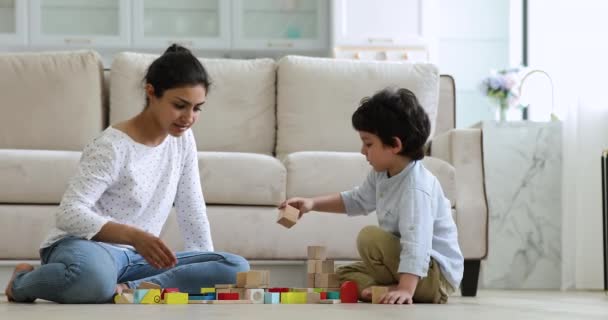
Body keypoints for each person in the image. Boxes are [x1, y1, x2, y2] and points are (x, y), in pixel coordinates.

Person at [5, 44, 249, 303]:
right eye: (180, 105)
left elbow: (192, 206)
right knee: (93, 279)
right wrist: (133, 236)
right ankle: (22, 282)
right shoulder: (111, 146)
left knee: (235, 268)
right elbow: (69, 213)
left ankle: (130, 289)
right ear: (151, 92)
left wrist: (203, 266)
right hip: (89, 248)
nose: (188, 118)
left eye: (197, 108)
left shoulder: (183, 140)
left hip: (138, 261)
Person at [281, 88, 463, 304]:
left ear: (395, 145)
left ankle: (397, 289)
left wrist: (405, 289)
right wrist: (311, 204)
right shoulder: (382, 174)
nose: (362, 151)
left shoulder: (416, 188)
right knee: (338, 275)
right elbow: (357, 200)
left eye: (368, 144)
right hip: (405, 266)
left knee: (370, 237)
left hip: (434, 276)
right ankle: (379, 289)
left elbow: (418, 243)